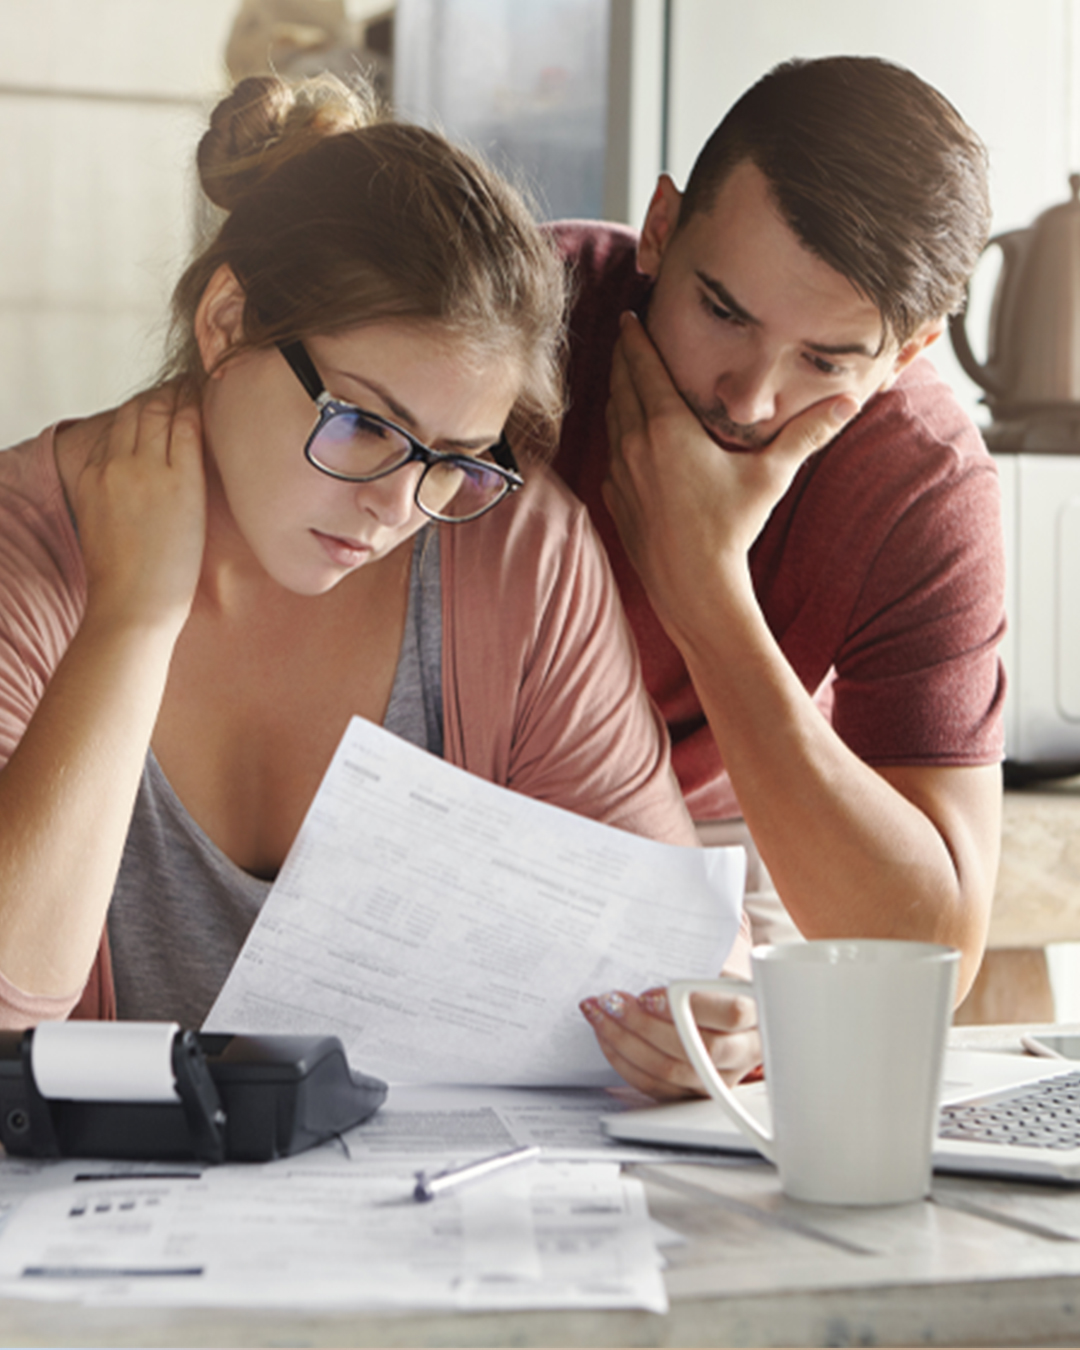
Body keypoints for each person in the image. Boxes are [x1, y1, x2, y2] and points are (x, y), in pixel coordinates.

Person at [0, 73, 717, 1036]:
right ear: (227, 325)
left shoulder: (516, 553)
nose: (395, 505)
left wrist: (716, 1016)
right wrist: (131, 620)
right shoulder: (25, 548)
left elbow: (669, 947)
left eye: (456, 460)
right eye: (365, 424)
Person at [570, 56, 1006, 1098]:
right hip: (451, 786)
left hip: (732, 822)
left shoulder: (924, 481)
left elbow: (928, 957)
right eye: (723, 311)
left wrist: (705, 589)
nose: (753, 399)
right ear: (663, 227)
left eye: (827, 359)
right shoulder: (518, 317)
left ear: (907, 353)